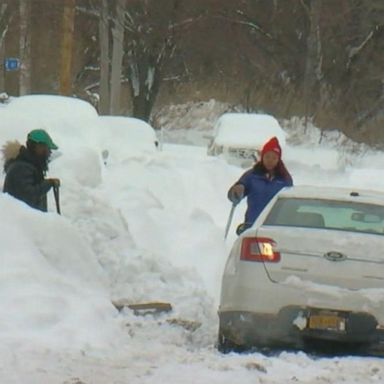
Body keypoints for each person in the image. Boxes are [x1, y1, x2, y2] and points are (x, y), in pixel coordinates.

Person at [227, 136, 293, 235]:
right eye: (267, 157)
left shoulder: (284, 179)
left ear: (279, 160)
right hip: (252, 226)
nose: (270, 160)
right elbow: (234, 195)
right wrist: (236, 191)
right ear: (262, 157)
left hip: (276, 227)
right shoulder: (252, 176)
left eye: (274, 158)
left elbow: (290, 204)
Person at [2, 129, 60, 212]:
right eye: (47, 149)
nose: (49, 153)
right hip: (21, 223)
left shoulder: (30, 166)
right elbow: (29, 196)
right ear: (38, 147)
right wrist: (48, 183)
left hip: (26, 222)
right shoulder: (21, 168)